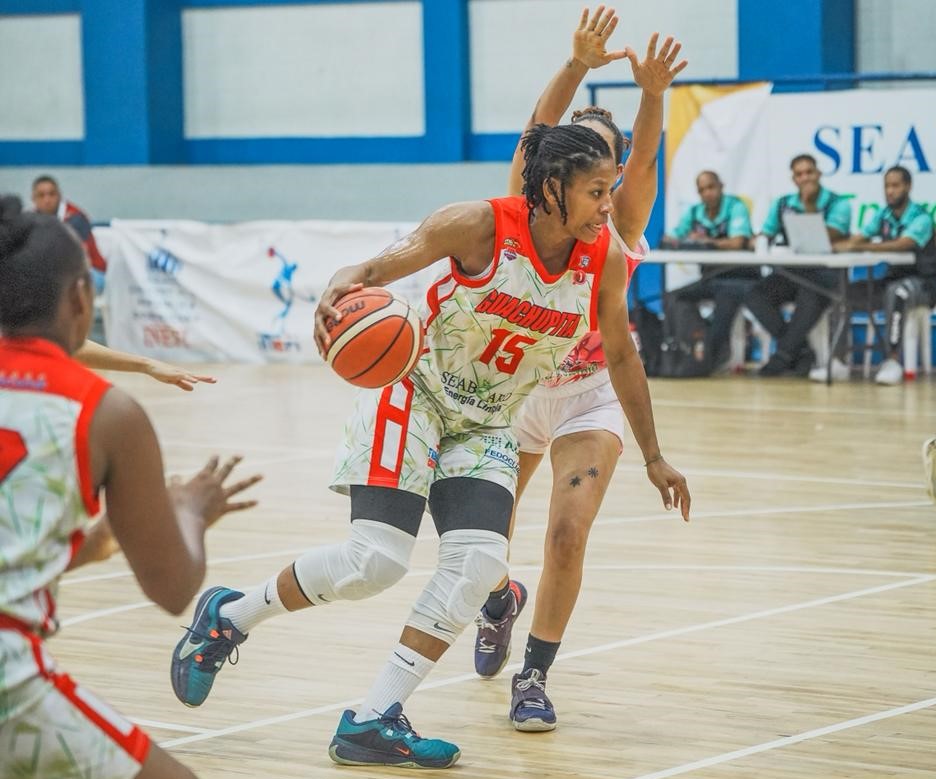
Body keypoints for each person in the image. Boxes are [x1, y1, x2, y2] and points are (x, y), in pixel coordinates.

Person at [168, 119, 689, 768]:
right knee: (374, 563)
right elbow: (380, 263)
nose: (607, 206)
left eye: (611, 190)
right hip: (415, 395)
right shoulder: (476, 225)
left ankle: (371, 717)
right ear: (552, 188)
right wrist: (346, 282)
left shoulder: (603, 255)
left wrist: (653, 454)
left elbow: (620, 353)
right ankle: (229, 615)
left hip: (489, 418)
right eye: (594, 192)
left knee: (476, 565)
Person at [467, 7, 690, 734]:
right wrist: (576, 67)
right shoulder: (523, 204)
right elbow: (536, 128)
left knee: (567, 533)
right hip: (511, 391)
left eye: (610, 157)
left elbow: (646, 163)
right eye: (584, 153)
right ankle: (498, 597)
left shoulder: (615, 224)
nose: (599, 168)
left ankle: (532, 675)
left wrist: (652, 95)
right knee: (475, 546)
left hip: (588, 397)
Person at [0, 197, 261, 778]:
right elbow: (173, 589)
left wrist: (98, 541)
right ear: (80, 299)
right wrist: (189, 509)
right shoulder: (104, 414)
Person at [814, 166, 935, 385]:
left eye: (895, 185)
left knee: (897, 292)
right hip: (891, 279)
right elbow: (861, 237)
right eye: (887, 186)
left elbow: (903, 244)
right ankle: (839, 361)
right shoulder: (883, 215)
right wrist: (845, 245)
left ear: (908, 187)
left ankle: (893, 360)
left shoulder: (921, 217)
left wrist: (862, 247)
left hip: (925, 283)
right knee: (843, 294)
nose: (890, 191)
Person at [745, 154, 852, 377]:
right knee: (755, 294)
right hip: (791, 271)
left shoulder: (839, 203)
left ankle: (782, 357)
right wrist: (761, 240)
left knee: (810, 295)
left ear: (819, 174)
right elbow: (767, 232)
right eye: (799, 174)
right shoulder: (782, 203)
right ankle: (800, 351)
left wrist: (809, 204)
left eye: (809, 172)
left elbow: (827, 237)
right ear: (793, 179)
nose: (805, 178)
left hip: (825, 273)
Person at [661, 170, 755, 371]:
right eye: (702, 189)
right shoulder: (695, 212)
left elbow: (738, 242)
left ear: (721, 186)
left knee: (726, 297)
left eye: (711, 187)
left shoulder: (735, 207)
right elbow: (672, 237)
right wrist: (679, 240)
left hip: (738, 278)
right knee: (674, 297)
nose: (707, 193)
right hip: (711, 278)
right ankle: (693, 342)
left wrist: (707, 242)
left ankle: (712, 357)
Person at [31, 174, 108, 293]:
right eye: (41, 196)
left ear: (59, 196)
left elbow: (80, 260)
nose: (47, 200)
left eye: (52, 194)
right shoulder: (29, 220)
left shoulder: (76, 219)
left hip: (91, 273)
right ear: (33, 199)